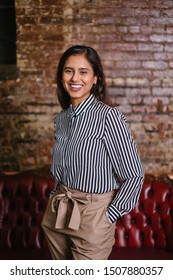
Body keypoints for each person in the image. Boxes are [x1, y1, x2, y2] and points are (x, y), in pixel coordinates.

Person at [41, 45, 144, 260]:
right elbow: (62, 166)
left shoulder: (109, 117)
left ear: (95, 78)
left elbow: (134, 175)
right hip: (59, 209)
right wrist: (54, 195)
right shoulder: (61, 119)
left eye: (83, 71)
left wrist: (108, 216)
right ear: (61, 77)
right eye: (68, 71)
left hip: (93, 215)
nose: (74, 78)